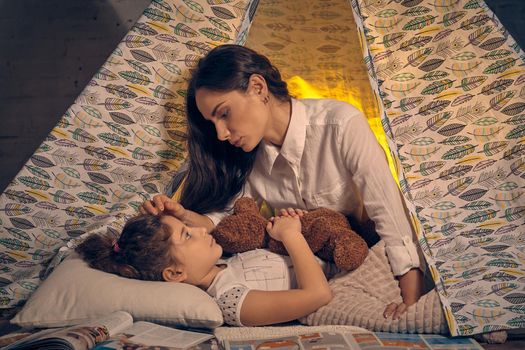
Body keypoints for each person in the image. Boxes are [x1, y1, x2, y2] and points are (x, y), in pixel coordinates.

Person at [140, 44, 427, 320]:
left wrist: (410, 300)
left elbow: (391, 218)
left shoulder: (341, 125)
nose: (221, 133)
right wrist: (183, 216)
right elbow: (225, 221)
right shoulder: (248, 156)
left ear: (258, 88)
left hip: (361, 254)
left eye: (224, 114)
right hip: (315, 275)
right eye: (212, 123)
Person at [76, 209, 334, 327]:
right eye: (187, 235)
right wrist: (291, 236)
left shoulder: (227, 263)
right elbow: (318, 295)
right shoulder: (231, 301)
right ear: (176, 273)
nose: (201, 230)